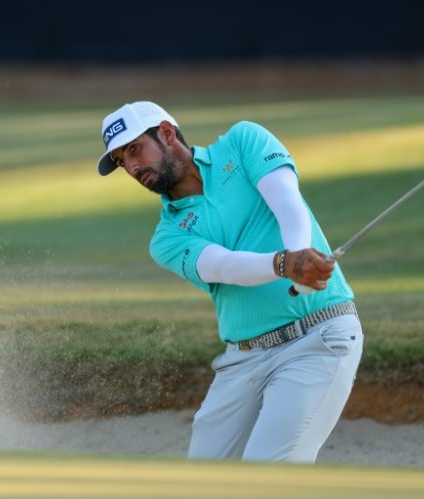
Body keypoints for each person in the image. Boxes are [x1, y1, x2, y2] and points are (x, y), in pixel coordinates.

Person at [96, 101, 364, 462]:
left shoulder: (242, 142)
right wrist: (287, 264)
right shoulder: (167, 237)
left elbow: (287, 202)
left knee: (266, 474)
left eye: (133, 149)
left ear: (166, 133)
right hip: (243, 360)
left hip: (317, 338)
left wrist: (300, 254)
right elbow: (223, 266)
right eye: (119, 160)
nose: (130, 166)